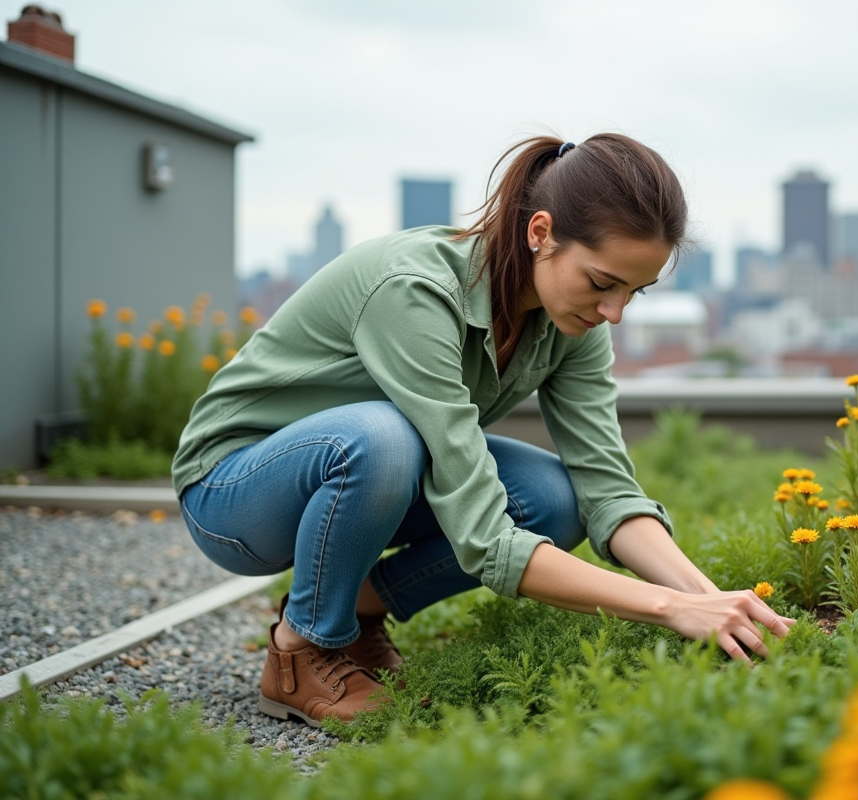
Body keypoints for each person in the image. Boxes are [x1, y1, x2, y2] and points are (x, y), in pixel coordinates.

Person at [172, 133, 795, 727]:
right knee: (383, 437)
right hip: (234, 493)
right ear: (541, 233)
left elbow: (607, 490)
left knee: (555, 499)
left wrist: (717, 604)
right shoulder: (416, 291)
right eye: (604, 283)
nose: (615, 312)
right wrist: (670, 608)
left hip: (372, 474)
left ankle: (358, 610)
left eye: (634, 291)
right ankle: (302, 648)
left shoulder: (569, 321)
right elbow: (482, 534)